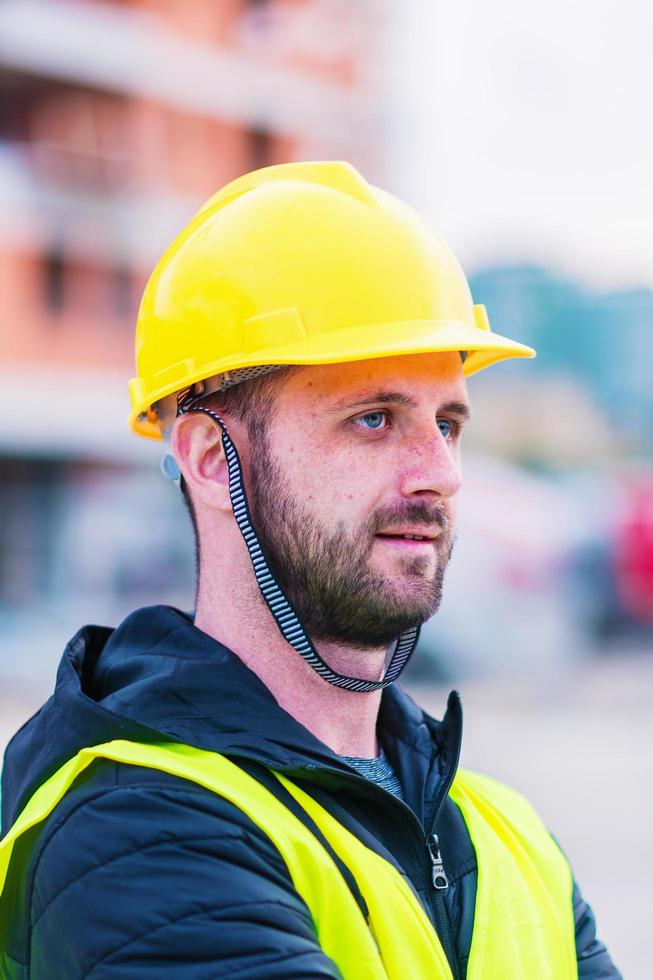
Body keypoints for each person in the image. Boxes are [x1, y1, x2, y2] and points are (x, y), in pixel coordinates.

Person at [0, 162, 620, 978]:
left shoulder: (504, 834)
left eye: (447, 422)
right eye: (373, 418)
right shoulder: (131, 831)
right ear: (210, 458)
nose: (440, 472)